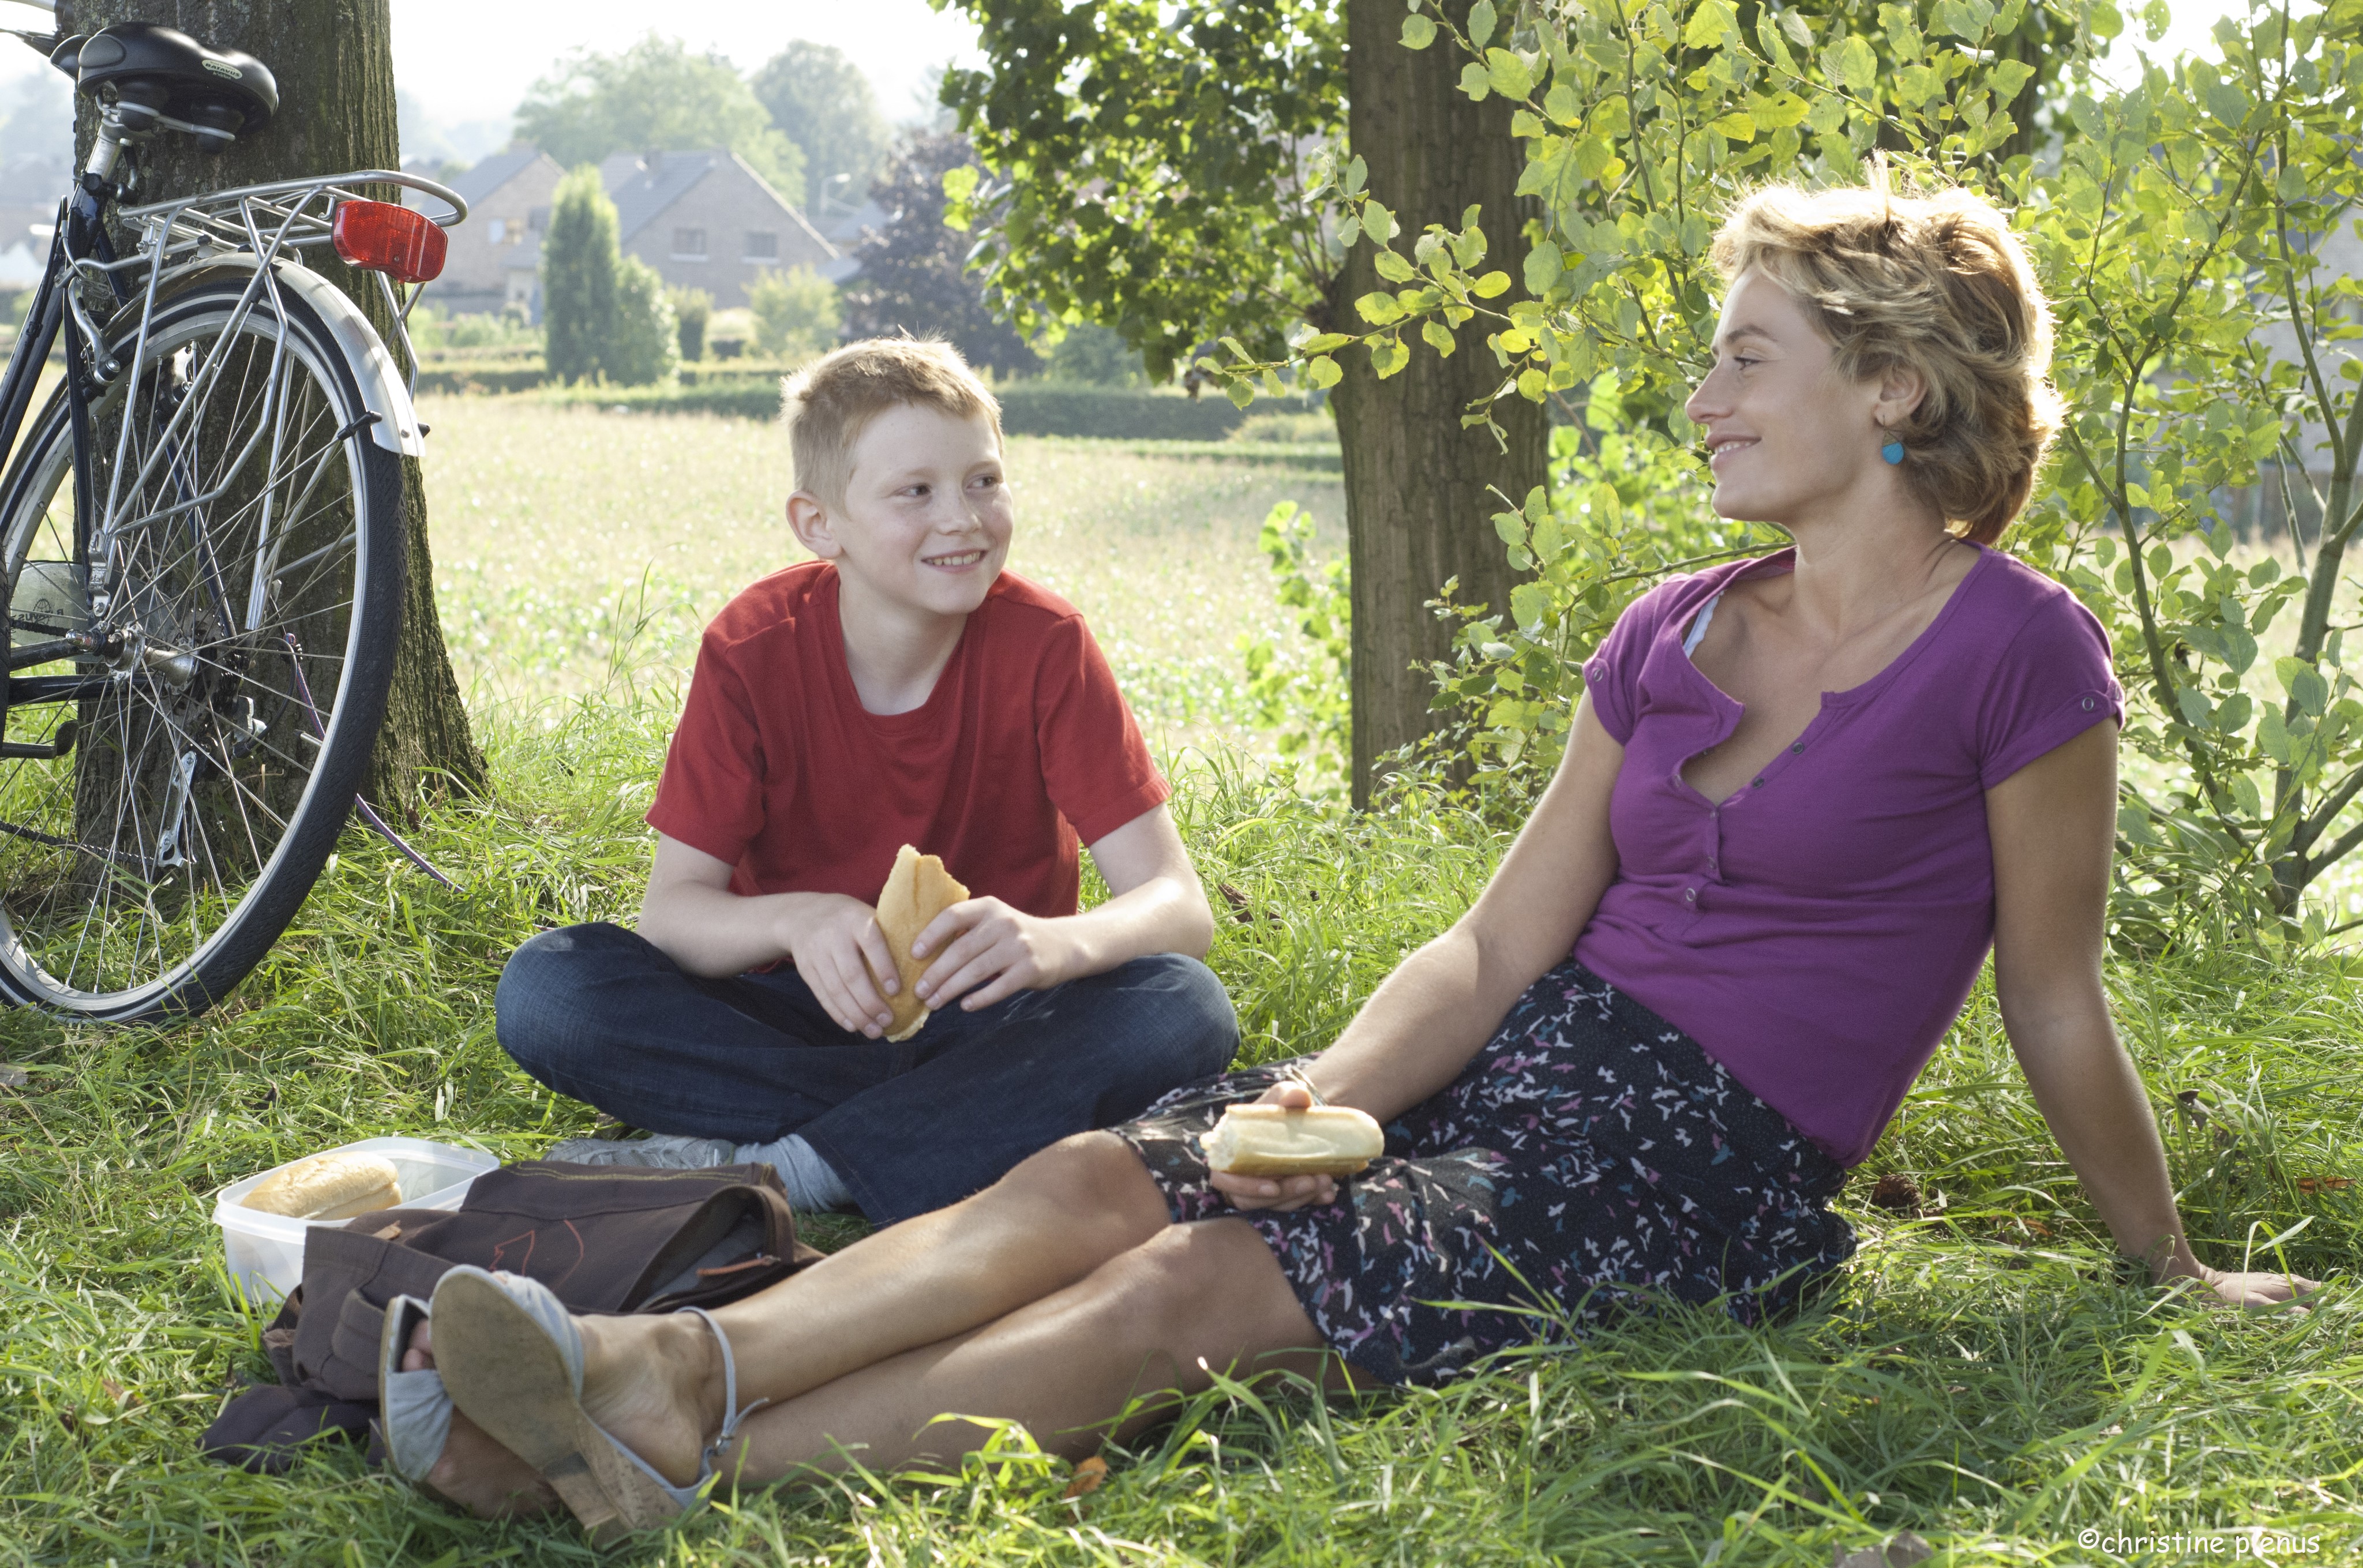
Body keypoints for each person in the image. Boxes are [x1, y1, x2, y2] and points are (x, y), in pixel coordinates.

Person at [414, 181, 2315, 1528]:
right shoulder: (1667, 626)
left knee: (1188, 1292)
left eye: (1746, 357)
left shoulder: (2016, 651)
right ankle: (657, 1363)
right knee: (1108, 1170)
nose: (1702, 395)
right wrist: (1318, 1096)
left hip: (1698, 1157)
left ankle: (694, 1448)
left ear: (1892, 386)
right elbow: (1492, 949)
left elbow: (2051, 991)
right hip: (1515, 1059)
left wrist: (2157, 1256)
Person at [493, 338, 1237, 1225]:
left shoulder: (1047, 645)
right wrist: (796, 918)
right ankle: (926, 1133)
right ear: (819, 523)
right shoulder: (751, 649)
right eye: (915, 492)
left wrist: (1051, 943)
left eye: (984, 481)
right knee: (548, 989)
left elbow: (1177, 905)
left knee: (1183, 1007)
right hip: (787, 1015)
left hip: (987, 1012)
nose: (962, 517)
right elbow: (673, 915)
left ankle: (789, 1166)